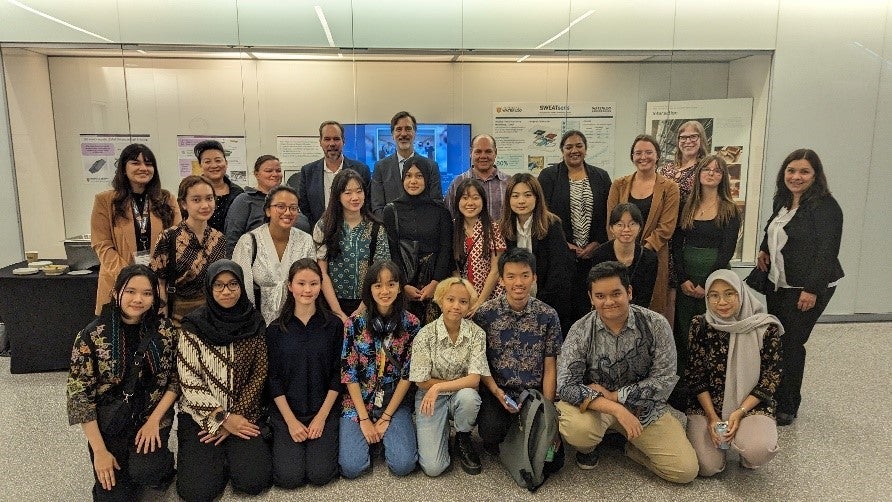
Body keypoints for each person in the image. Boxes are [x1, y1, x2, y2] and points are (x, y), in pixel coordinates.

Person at [556, 261, 698, 484]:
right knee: (578, 431)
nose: (609, 302)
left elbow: (664, 380)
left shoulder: (656, 325)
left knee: (685, 471)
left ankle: (626, 446)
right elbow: (566, 386)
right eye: (600, 296)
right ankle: (589, 448)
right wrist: (615, 408)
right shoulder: (580, 330)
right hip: (596, 407)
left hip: (644, 407)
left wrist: (616, 396)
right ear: (591, 298)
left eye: (616, 294)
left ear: (629, 292)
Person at [66, 265, 178, 501]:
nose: (138, 299)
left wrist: (154, 421)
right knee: (112, 495)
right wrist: (99, 451)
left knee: (146, 471)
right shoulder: (91, 335)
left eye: (147, 293)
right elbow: (79, 397)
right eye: (130, 291)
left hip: (151, 417)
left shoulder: (166, 331)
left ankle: (161, 463)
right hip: (111, 423)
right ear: (116, 292)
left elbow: (175, 381)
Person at [757, 148, 843, 426]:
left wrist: (812, 289)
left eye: (804, 172)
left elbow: (827, 251)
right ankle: (772, 394)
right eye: (791, 170)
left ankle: (787, 405)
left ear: (815, 175)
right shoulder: (783, 200)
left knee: (792, 344)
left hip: (806, 287)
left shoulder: (826, 207)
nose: (796, 176)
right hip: (779, 283)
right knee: (777, 341)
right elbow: (774, 228)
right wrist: (763, 249)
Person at [176, 260, 272, 500]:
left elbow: (259, 373)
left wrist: (235, 418)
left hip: (244, 412)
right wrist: (222, 419)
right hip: (201, 415)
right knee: (197, 493)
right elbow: (188, 378)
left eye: (232, 284)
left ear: (241, 286)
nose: (226, 291)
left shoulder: (254, 321)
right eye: (218, 285)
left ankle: (231, 455)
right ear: (209, 288)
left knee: (254, 482)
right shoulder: (193, 325)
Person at [684, 269, 782, 476]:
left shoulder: (765, 327)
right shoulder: (700, 325)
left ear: (741, 293)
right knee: (707, 466)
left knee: (758, 450)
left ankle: (744, 441)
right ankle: (723, 442)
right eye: (714, 295)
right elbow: (695, 375)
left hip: (750, 405)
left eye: (729, 294)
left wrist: (739, 412)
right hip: (708, 406)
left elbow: (771, 378)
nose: (722, 302)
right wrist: (712, 417)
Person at [473, 248, 563, 470]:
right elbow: (479, 362)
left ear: (534, 277)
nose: (518, 283)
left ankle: (524, 434)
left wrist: (548, 410)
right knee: (490, 431)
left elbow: (550, 366)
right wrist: (497, 393)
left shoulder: (548, 315)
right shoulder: (485, 314)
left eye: (524, 275)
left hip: (534, 393)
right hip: (499, 391)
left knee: (553, 462)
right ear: (501, 280)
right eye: (511, 276)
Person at [266, 259, 344, 488]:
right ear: (290, 286)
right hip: (288, 412)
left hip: (323, 409)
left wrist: (321, 417)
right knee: (289, 478)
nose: (307, 290)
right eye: (301, 283)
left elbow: (338, 374)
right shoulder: (275, 329)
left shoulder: (334, 326)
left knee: (320, 475)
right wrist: (291, 422)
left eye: (314, 283)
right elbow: (273, 379)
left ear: (321, 285)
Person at [339, 260, 419, 479]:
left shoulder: (412, 324)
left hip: (393, 400)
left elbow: (408, 374)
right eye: (378, 285)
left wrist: (386, 417)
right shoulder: (354, 323)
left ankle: (384, 437)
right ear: (369, 289)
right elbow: (349, 373)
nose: (385, 291)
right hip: (358, 402)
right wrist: (364, 420)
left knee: (403, 465)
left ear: (400, 287)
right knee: (352, 467)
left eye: (391, 284)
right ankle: (374, 438)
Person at [410, 277, 489, 476]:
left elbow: (474, 379)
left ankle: (463, 437)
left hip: (458, 395)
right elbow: (421, 380)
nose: (456, 306)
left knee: (470, 397)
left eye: (463, 301)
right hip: (430, 398)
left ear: (469, 305)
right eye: (450, 299)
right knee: (434, 468)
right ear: (440, 301)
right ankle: (440, 431)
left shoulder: (477, 334)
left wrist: (438, 386)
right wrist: (439, 388)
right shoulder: (425, 335)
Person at [90, 143, 180, 315]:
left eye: (148, 163)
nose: (143, 168)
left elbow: (176, 240)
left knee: (156, 329)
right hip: (118, 283)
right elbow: (102, 244)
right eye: (136, 163)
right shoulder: (105, 201)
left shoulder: (167, 199)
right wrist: (129, 277)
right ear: (124, 168)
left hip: (157, 284)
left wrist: (155, 279)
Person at [672, 155, 741, 372]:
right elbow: (676, 245)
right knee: (684, 329)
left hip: (716, 278)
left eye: (717, 170)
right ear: (698, 174)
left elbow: (727, 251)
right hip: (687, 277)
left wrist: (706, 284)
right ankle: (686, 378)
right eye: (706, 169)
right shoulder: (686, 206)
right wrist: (682, 278)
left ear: (723, 177)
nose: (711, 173)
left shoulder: (730, 209)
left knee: (713, 328)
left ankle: (712, 377)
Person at [539, 130, 612, 327]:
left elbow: (608, 214)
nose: (574, 150)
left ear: (586, 149)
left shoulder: (601, 176)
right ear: (562, 150)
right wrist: (565, 244)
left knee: (589, 307)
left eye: (579, 146)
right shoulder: (548, 176)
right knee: (563, 308)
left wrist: (597, 242)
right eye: (569, 147)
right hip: (560, 256)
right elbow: (542, 214)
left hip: (594, 255)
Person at [607, 134, 680, 315]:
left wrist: (641, 254)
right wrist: (623, 250)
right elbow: (611, 221)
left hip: (653, 256)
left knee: (650, 309)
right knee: (617, 303)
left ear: (657, 155)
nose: (643, 157)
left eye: (649, 152)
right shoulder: (619, 185)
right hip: (619, 256)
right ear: (632, 156)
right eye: (638, 153)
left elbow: (666, 227)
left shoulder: (670, 188)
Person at [499, 173, 574, 332]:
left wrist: (540, 302)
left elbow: (559, 270)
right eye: (515, 196)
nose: (521, 201)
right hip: (514, 298)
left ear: (537, 197)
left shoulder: (551, 225)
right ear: (508, 199)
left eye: (527, 195)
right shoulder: (503, 227)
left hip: (548, 299)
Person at [231, 186, 316, 326]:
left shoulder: (305, 241)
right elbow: (241, 288)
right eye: (281, 207)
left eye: (293, 208)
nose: (287, 212)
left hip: (296, 322)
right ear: (268, 210)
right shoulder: (248, 242)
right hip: (257, 323)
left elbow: (311, 283)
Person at [382, 157, 453, 323]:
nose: (413, 181)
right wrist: (403, 285)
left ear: (427, 179)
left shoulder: (440, 211)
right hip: (402, 286)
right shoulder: (391, 211)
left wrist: (435, 284)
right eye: (408, 176)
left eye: (419, 176)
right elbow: (392, 251)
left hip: (436, 286)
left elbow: (445, 249)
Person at [314, 169, 390, 322]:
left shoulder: (376, 228)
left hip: (369, 302)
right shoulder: (324, 226)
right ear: (338, 196)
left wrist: (361, 309)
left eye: (359, 191)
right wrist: (337, 312)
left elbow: (381, 271)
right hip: (331, 303)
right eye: (348, 193)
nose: (355, 197)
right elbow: (322, 273)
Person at [150, 175, 226, 326]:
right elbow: (159, 280)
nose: (205, 205)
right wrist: (163, 315)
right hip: (178, 316)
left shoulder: (219, 238)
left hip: (213, 315)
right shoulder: (169, 237)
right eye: (196, 200)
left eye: (209, 198)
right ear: (184, 204)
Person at [659, 120, 709, 328]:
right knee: (663, 291)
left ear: (701, 139)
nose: (688, 141)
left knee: (678, 294)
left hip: (687, 237)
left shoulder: (705, 168)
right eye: (683, 137)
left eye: (693, 136)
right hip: (664, 236)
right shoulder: (666, 170)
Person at [225, 155, 311, 256]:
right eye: (269, 171)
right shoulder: (244, 200)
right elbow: (232, 238)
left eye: (278, 171)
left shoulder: (291, 198)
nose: (275, 174)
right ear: (256, 174)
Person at [292, 121, 372, 229]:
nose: (332, 144)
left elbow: (367, 203)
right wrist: (318, 228)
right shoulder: (308, 172)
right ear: (320, 142)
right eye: (327, 139)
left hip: (353, 230)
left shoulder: (361, 170)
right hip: (320, 231)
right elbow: (304, 206)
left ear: (343, 141)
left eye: (336, 139)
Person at [370, 111, 443, 216]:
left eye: (408, 129)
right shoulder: (380, 167)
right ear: (392, 135)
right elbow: (377, 207)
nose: (403, 134)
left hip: (423, 225)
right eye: (398, 129)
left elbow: (436, 204)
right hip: (390, 225)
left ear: (415, 133)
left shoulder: (431, 166)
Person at [451, 178, 506, 314]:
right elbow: (453, 268)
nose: (470, 203)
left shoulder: (492, 228)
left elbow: (495, 270)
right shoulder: (452, 228)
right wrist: (465, 297)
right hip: (463, 298)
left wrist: (479, 302)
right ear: (457, 201)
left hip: (491, 297)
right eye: (465, 198)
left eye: (475, 198)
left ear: (483, 201)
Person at [591, 203, 658, 308]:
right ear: (611, 228)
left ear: (640, 227)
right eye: (620, 225)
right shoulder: (599, 255)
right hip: (606, 308)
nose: (626, 229)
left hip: (636, 312)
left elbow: (645, 298)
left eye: (632, 224)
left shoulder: (649, 258)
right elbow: (597, 291)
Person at [443, 134, 509, 221]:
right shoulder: (457, 183)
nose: (483, 156)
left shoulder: (508, 183)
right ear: (471, 153)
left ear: (495, 153)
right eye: (478, 152)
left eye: (488, 151)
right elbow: (447, 218)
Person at [194, 139, 244, 233]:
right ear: (200, 165)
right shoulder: (192, 192)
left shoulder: (238, 193)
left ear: (226, 163)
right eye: (207, 162)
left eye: (218, 160)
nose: (214, 165)